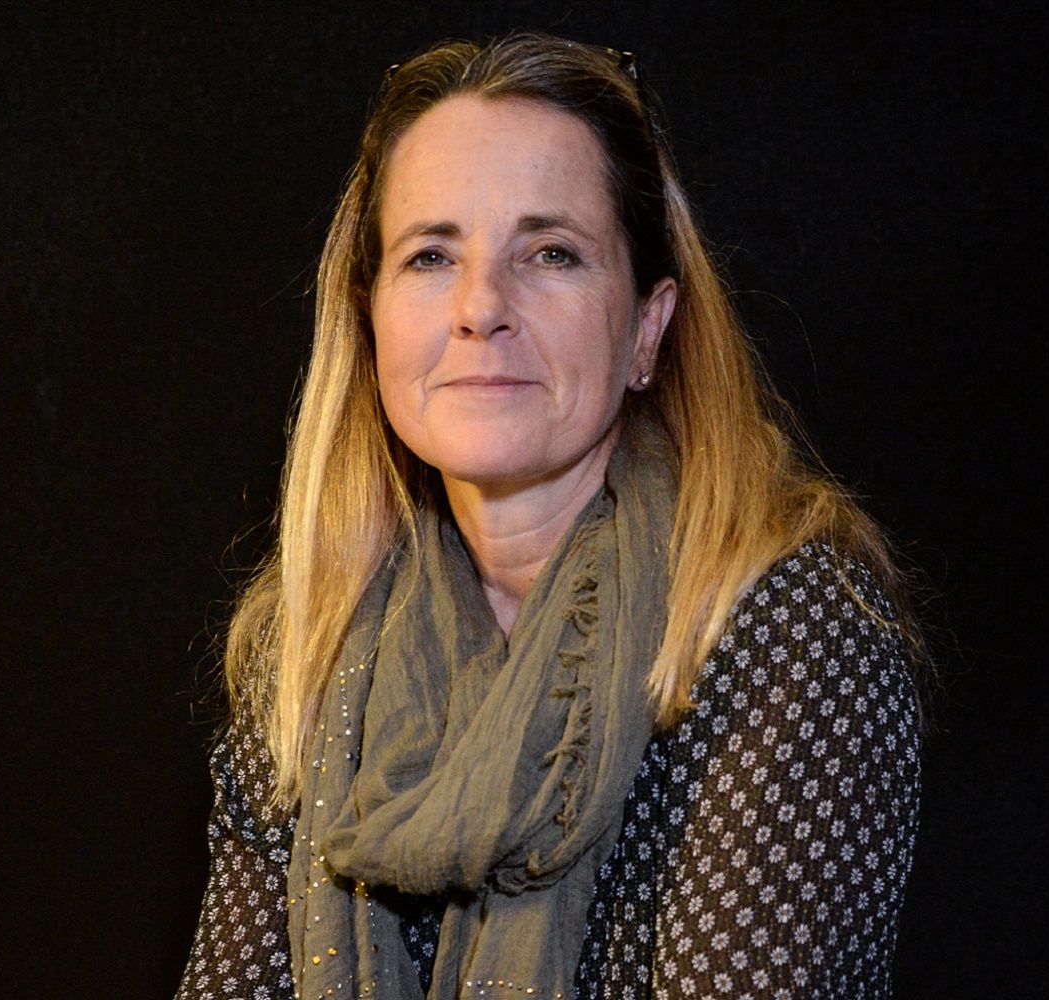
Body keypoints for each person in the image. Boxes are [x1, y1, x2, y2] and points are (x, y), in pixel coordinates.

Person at [176, 31, 923, 1000]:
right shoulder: (307, 645)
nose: (481, 306)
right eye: (430, 255)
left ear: (647, 326)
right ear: (369, 321)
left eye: (551, 253)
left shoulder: (788, 627)